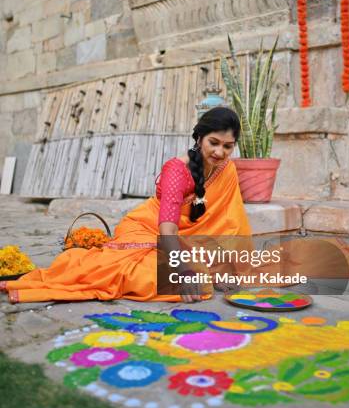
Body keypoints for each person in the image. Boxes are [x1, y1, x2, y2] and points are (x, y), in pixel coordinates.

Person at [0, 107, 252, 305]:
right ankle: (62, 273)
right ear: (199, 138)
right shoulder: (176, 170)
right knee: (153, 276)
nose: (220, 152)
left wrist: (225, 264)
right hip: (149, 230)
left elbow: (229, 223)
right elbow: (167, 230)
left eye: (227, 146)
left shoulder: (226, 169)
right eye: (214, 143)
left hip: (188, 239)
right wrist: (181, 273)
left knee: (207, 272)